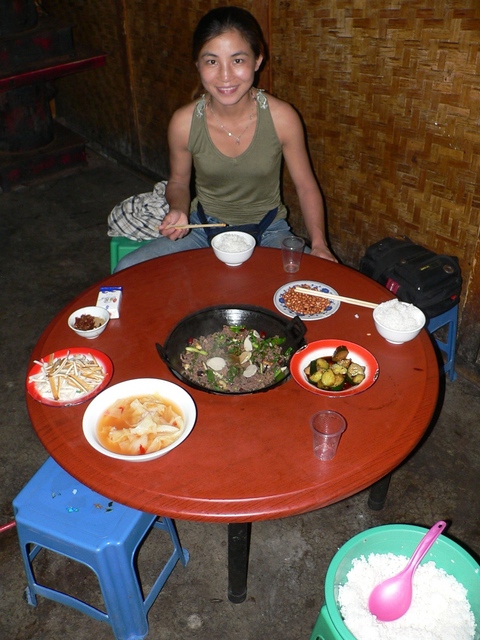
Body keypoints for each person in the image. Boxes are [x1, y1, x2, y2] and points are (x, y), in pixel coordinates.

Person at [115, 6, 336, 271]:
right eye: (212, 61)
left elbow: (306, 186)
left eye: (238, 60)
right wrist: (178, 209)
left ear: (257, 60)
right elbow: (178, 182)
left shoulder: (282, 117)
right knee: (127, 270)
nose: (225, 76)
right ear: (197, 64)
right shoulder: (184, 123)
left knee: (318, 280)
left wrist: (321, 244)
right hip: (201, 229)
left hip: (269, 231)